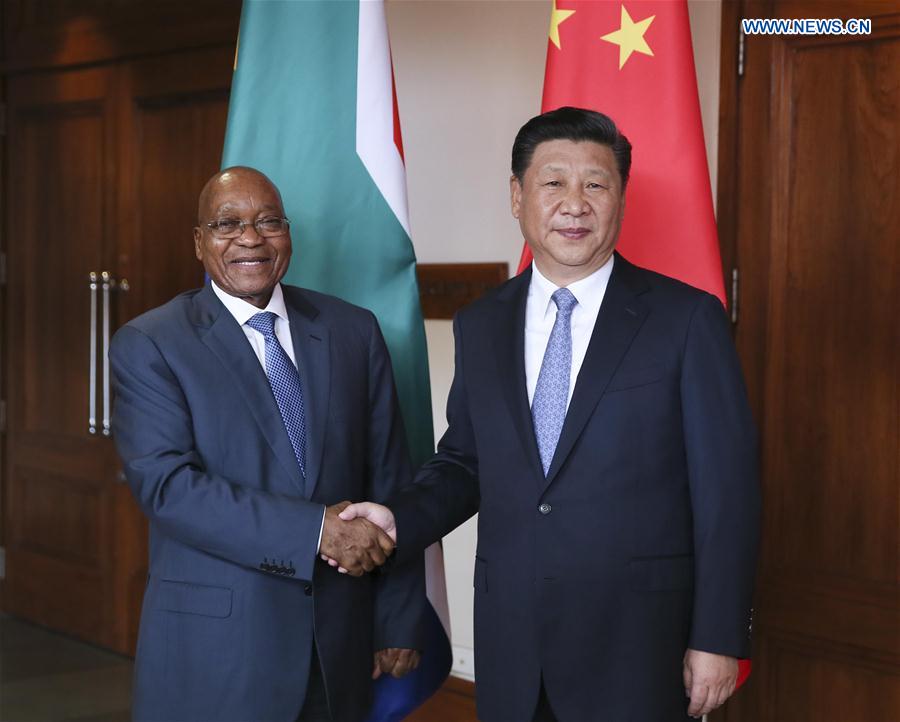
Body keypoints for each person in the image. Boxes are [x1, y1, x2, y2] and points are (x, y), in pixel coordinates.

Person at [335, 107, 761, 721]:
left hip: (637, 643)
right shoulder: (481, 324)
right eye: (553, 182)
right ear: (518, 196)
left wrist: (718, 636)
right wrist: (396, 517)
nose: (575, 203)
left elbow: (728, 492)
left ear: (621, 198)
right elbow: (465, 464)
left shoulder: (687, 320)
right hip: (514, 640)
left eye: (596, 183)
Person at [110, 166, 424, 722]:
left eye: (268, 222)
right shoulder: (151, 344)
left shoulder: (353, 330)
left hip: (340, 642)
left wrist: (396, 617)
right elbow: (169, 489)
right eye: (227, 224)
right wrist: (316, 530)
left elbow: (389, 477)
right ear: (199, 242)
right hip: (219, 652)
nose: (251, 239)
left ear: (288, 234)